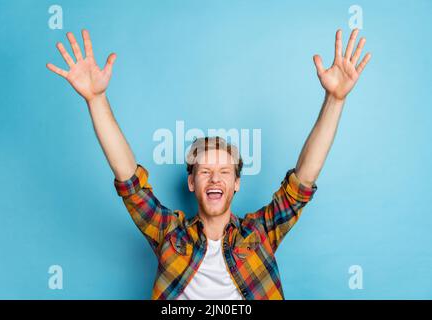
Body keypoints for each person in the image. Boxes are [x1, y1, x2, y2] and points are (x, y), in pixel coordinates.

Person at [46, 28, 371, 300]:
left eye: (224, 172)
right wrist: (96, 99)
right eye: (205, 171)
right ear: (192, 182)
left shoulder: (261, 233)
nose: (215, 178)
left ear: (236, 183)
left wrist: (335, 99)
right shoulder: (169, 234)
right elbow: (130, 183)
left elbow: (302, 183)